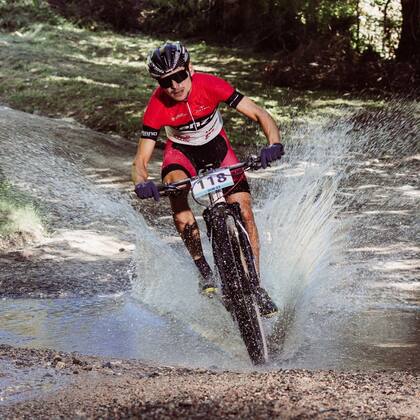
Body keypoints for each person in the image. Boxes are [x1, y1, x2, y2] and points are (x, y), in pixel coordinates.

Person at [132, 41, 284, 317]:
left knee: (245, 211)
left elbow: (259, 113)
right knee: (176, 192)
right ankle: (204, 270)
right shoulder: (157, 105)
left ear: (190, 69)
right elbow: (141, 159)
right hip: (182, 154)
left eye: (179, 76)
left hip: (218, 148)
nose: (175, 85)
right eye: (166, 81)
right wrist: (142, 182)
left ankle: (257, 285)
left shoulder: (211, 84)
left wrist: (273, 143)